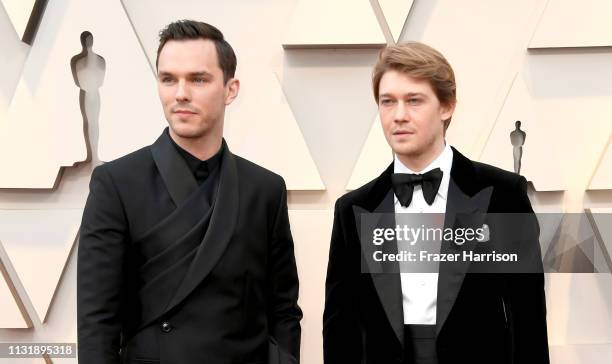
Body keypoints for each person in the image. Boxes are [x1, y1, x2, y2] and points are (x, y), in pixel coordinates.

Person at [77, 20, 302, 364]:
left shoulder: (265, 189)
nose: (181, 93)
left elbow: (283, 309)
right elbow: (97, 322)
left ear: (230, 89)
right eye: (169, 79)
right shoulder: (116, 183)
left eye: (198, 79)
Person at [323, 42, 549, 364]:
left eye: (414, 101)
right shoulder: (352, 209)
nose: (398, 115)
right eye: (388, 102)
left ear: (447, 106)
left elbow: (527, 319)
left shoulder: (502, 193)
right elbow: (340, 329)